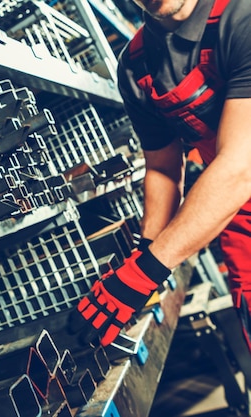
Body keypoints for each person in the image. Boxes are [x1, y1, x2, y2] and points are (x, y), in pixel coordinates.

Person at [68, 0, 251, 349]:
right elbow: (163, 168)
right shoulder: (135, 66)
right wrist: (146, 250)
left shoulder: (241, 16)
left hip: (235, 185)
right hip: (241, 224)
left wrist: (142, 274)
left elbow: (240, 165)